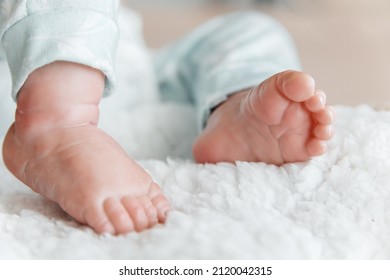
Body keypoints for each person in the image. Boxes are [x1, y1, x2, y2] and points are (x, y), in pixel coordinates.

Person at [0, 1, 333, 235]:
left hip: (137, 80)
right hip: (31, 80)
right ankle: (54, 121)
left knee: (252, 29)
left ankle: (232, 104)